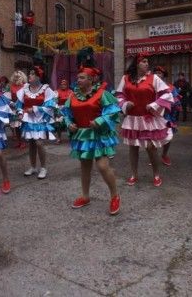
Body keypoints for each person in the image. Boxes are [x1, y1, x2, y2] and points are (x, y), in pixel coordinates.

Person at [63, 67, 121, 214]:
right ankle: (85, 196)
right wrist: (69, 124)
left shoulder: (102, 94)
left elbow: (113, 112)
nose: (78, 80)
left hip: (99, 135)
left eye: (82, 77)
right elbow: (67, 114)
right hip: (82, 135)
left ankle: (115, 196)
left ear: (91, 79)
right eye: (78, 77)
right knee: (85, 166)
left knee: (102, 166)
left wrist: (100, 120)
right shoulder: (73, 95)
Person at [115, 54, 174, 187]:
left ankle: (156, 174)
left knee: (151, 147)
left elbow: (167, 94)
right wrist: (125, 103)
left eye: (148, 62)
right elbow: (119, 95)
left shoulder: (154, 78)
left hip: (148, 119)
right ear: (137, 64)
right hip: (132, 119)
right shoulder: (125, 78)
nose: (147, 64)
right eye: (144, 61)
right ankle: (134, 174)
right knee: (133, 147)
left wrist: (154, 105)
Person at [16, 66, 57, 179]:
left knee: (39, 143)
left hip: (40, 119)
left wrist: (35, 109)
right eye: (30, 73)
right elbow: (19, 104)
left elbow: (50, 106)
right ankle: (33, 167)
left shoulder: (46, 89)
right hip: (28, 119)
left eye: (33, 74)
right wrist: (20, 113)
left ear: (39, 77)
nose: (30, 75)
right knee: (32, 144)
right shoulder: (24, 89)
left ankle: (43, 167)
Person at [153, 66, 181, 166]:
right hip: (153, 116)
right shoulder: (149, 87)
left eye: (159, 73)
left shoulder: (170, 87)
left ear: (164, 75)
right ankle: (153, 156)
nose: (157, 74)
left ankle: (164, 155)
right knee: (153, 137)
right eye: (155, 72)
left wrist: (167, 106)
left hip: (167, 116)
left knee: (168, 136)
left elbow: (176, 103)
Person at [6, 70, 28, 149]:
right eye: (15, 77)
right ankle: (19, 141)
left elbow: (28, 97)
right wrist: (11, 103)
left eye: (18, 77)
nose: (16, 78)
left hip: (23, 109)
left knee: (22, 126)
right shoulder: (10, 86)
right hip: (14, 109)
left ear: (22, 77)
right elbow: (7, 97)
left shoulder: (25, 86)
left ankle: (24, 141)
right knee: (16, 126)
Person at [54, 78, 73, 144]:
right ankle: (59, 138)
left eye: (64, 84)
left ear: (67, 85)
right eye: (62, 84)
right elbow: (55, 101)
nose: (63, 86)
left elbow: (72, 101)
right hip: (59, 109)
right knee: (58, 124)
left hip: (68, 109)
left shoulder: (70, 92)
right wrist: (58, 107)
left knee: (69, 123)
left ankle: (71, 137)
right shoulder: (57, 91)